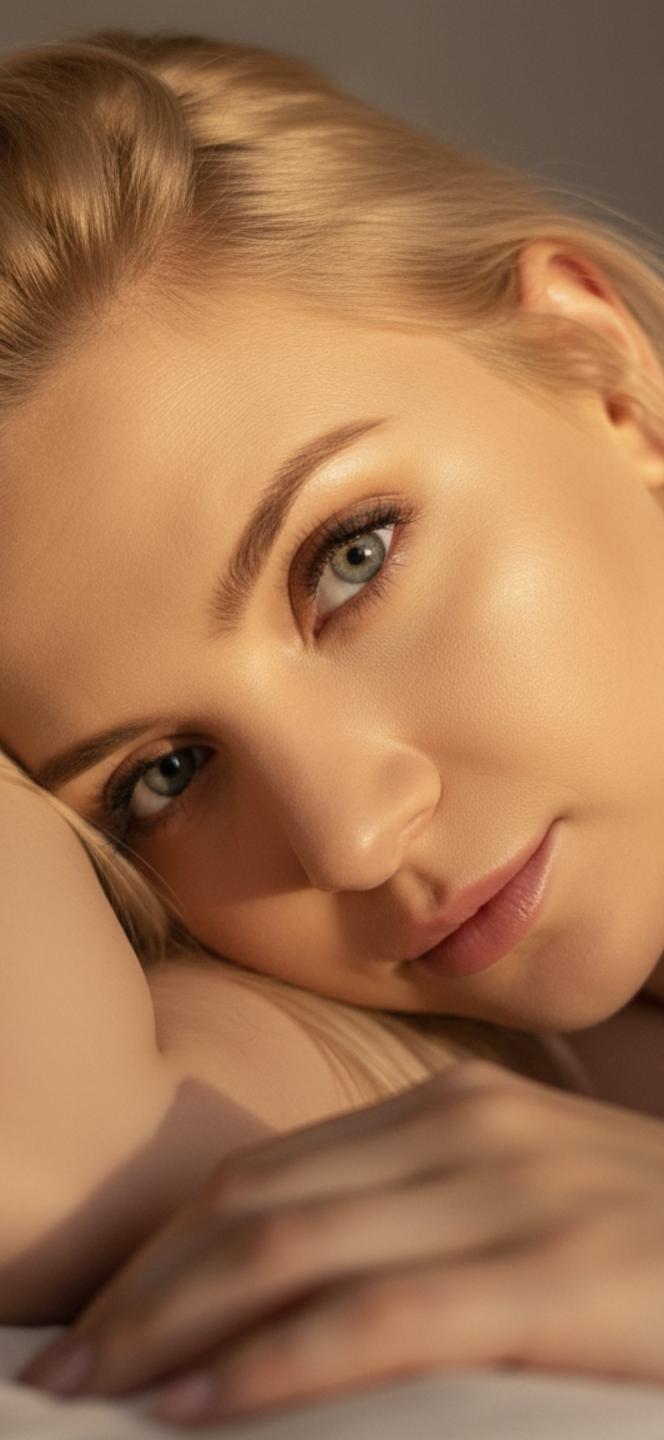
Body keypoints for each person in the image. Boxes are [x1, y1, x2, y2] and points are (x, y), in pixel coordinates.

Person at [4, 20, 664, 1424]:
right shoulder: (380, 1047)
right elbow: (40, 1170)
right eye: (166, 774)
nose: (351, 838)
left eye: (350, 559)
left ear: (595, 367)